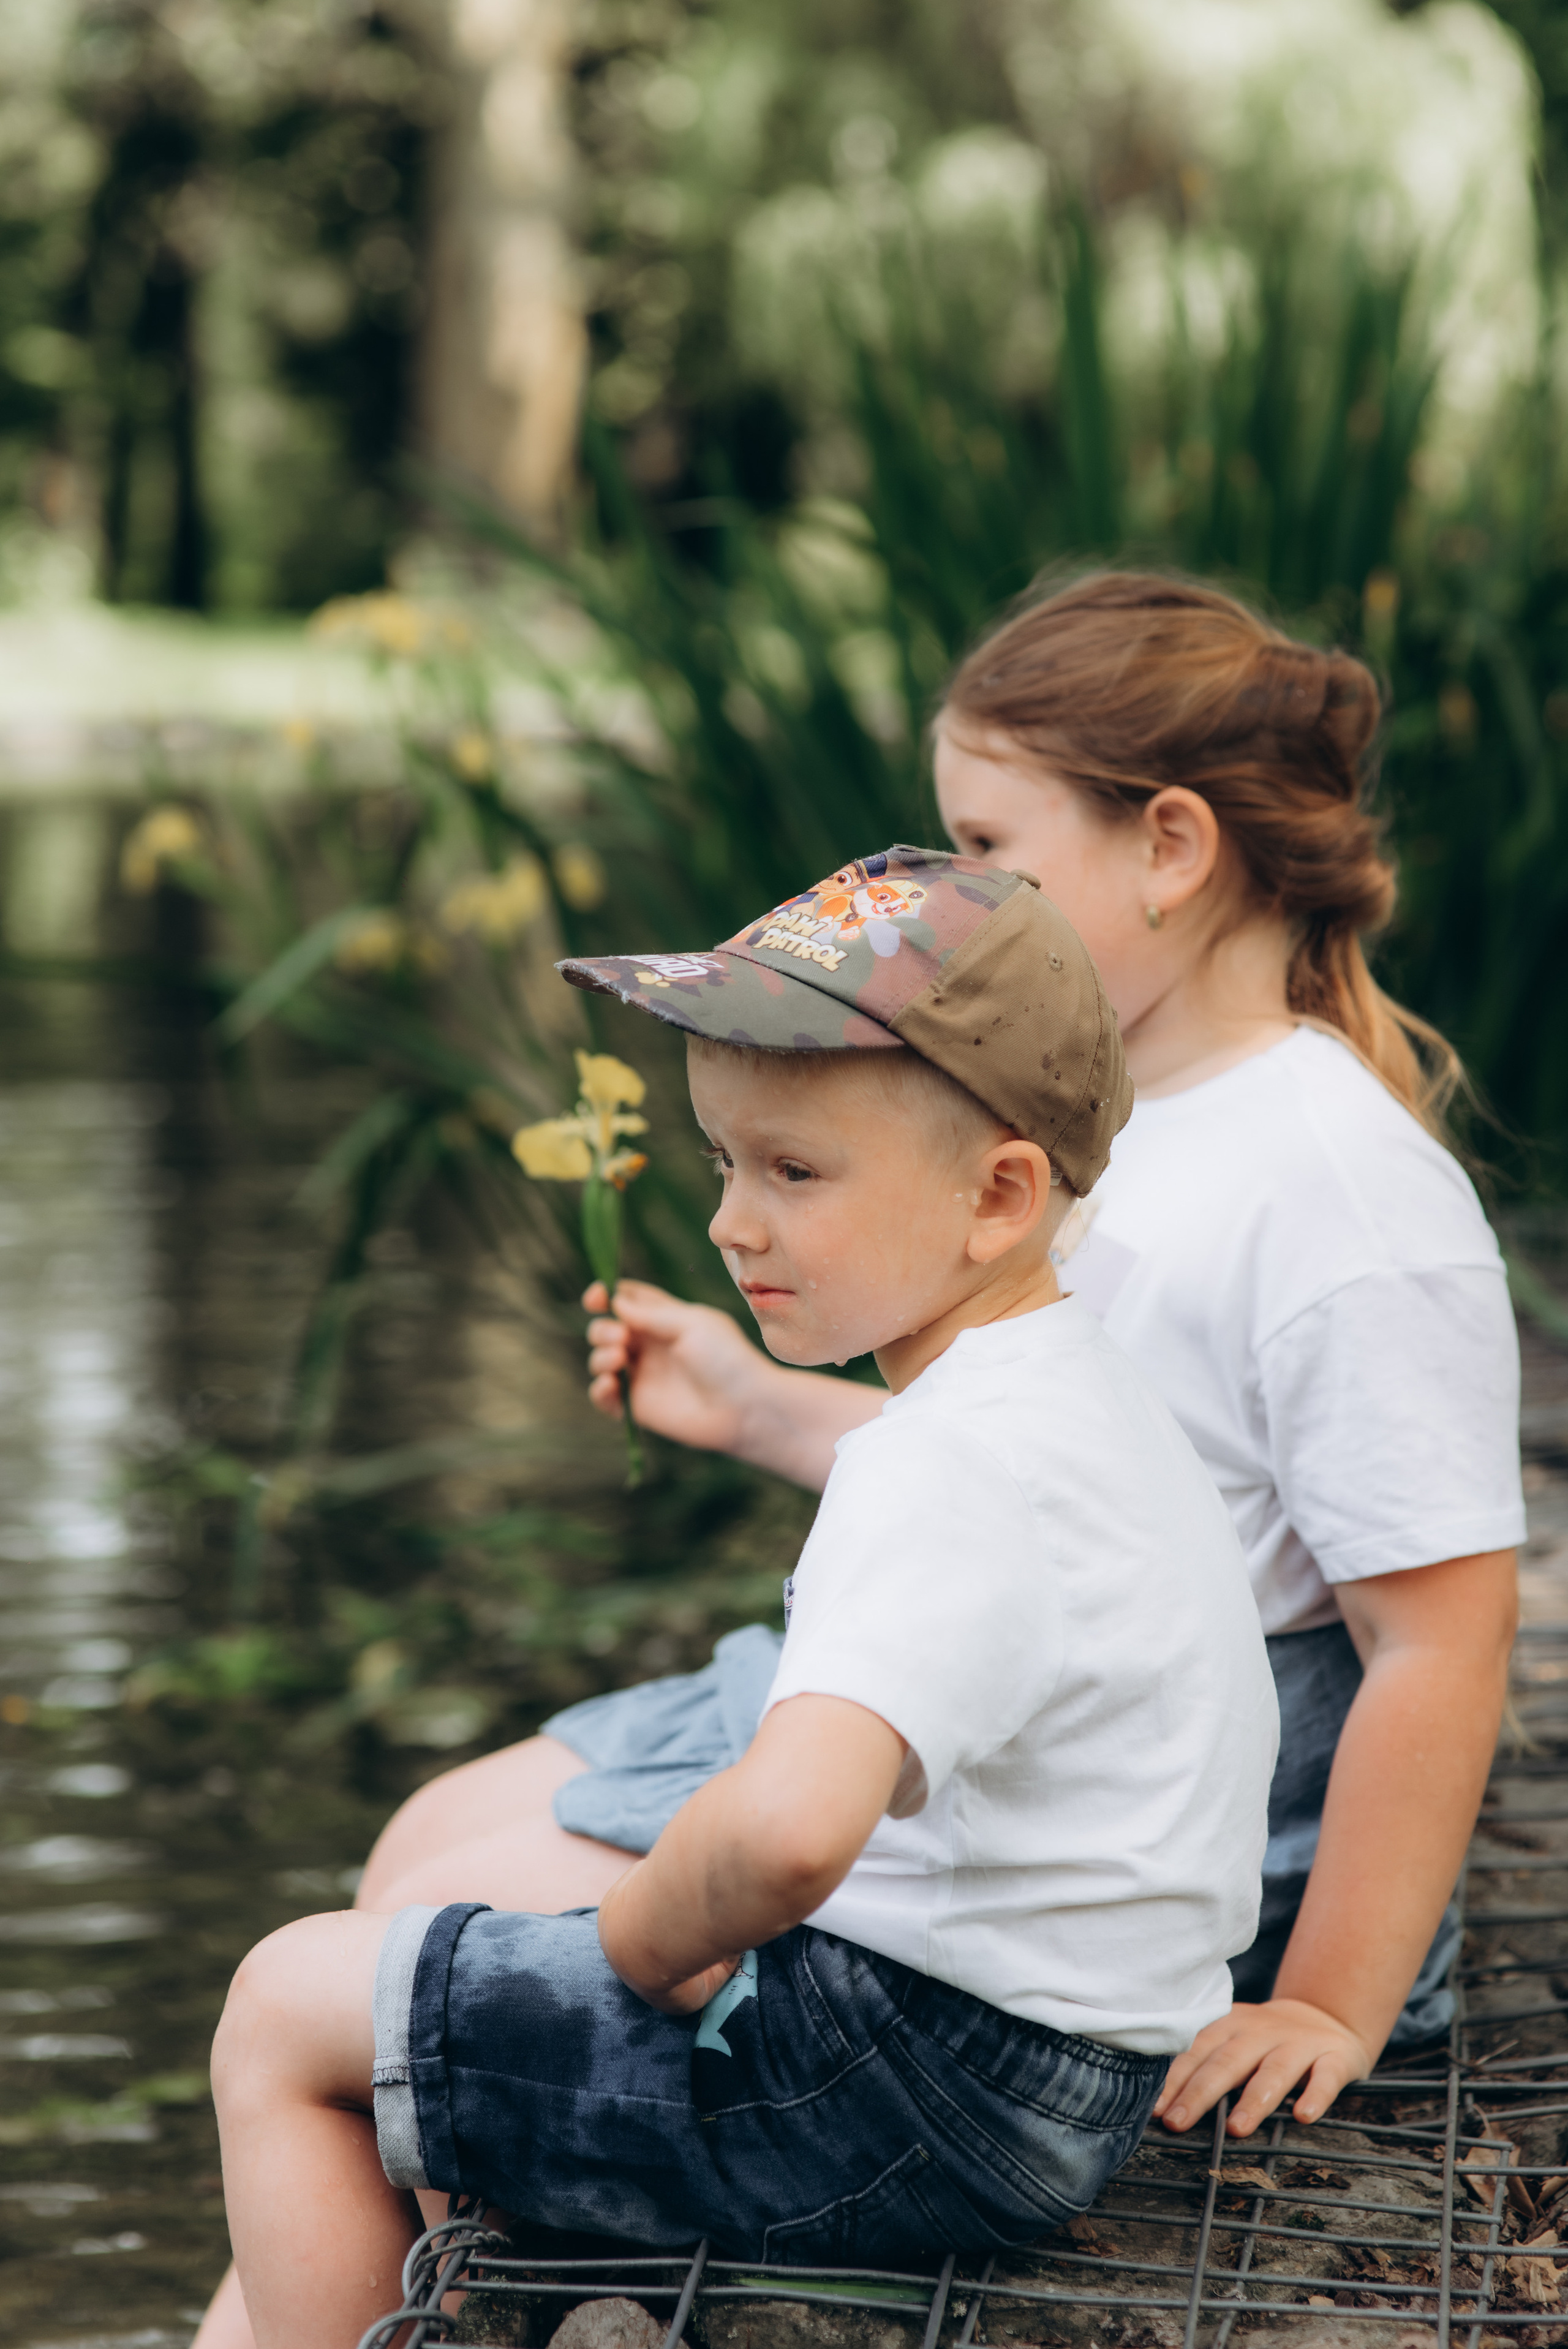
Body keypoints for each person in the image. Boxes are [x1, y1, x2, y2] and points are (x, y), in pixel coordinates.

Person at [353, 571, 1524, 2149]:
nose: (951, 885)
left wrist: (1325, 2000)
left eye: (985, 845)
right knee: (422, 1839)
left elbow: (1440, 1641)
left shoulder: (1339, 1194)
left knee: (420, 1926)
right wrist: (761, 1404)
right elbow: (1032, 1475)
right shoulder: (1083, 1115)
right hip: (970, 1699)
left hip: (1097, 1824)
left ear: (1169, 847)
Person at [198, 850, 1278, 2349]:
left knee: (284, 2004)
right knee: (479, 1979)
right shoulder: (1086, 1398)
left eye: (792, 1172)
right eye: (723, 1162)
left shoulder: (944, 1463)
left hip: (895, 2088)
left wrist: (641, 1934)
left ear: (997, 1196)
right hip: (1059, 2077)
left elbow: (782, 1833)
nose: (727, 1224)